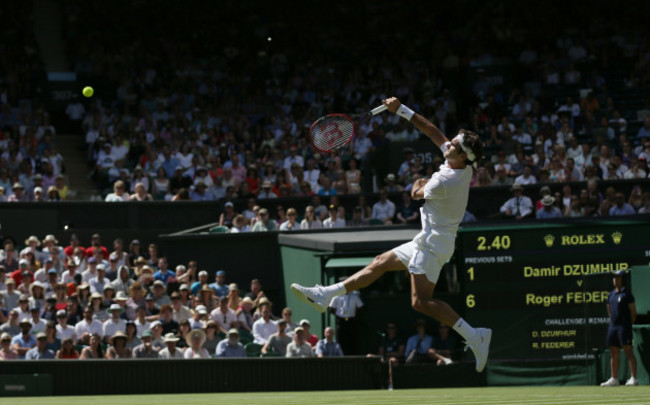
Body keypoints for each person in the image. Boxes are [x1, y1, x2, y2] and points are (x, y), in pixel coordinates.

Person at [291, 97, 491, 372]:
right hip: (429, 239)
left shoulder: (447, 181)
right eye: (453, 142)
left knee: (420, 302)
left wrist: (419, 180)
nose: (449, 144)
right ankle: (327, 294)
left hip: (434, 244)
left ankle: (475, 335)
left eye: (454, 146)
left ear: (462, 156)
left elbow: (414, 192)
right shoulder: (462, 162)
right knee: (380, 262)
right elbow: (433, 130)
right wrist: (402, 110)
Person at [601, 270, 638, 386]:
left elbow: (633, 313)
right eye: (614, 278)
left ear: (622, 280)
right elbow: (609, 311)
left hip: (624, 327)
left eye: (617, 278)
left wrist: (627, 324)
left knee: (628, 351)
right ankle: (614, 379)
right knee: (613, 352)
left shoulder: (627, 294)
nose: (615, 280)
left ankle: (633, 378)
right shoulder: (610, 294)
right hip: (613, 327)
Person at [329, 286, 363, 356]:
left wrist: (354, 315)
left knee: (352, 338)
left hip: (351, 320)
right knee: (340, 338)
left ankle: (352, 355)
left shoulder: (354, 296)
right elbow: (331, 308)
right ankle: (340, 355)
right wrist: (338, 315)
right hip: (340, 320)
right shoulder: (337, 296)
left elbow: (361, 307)